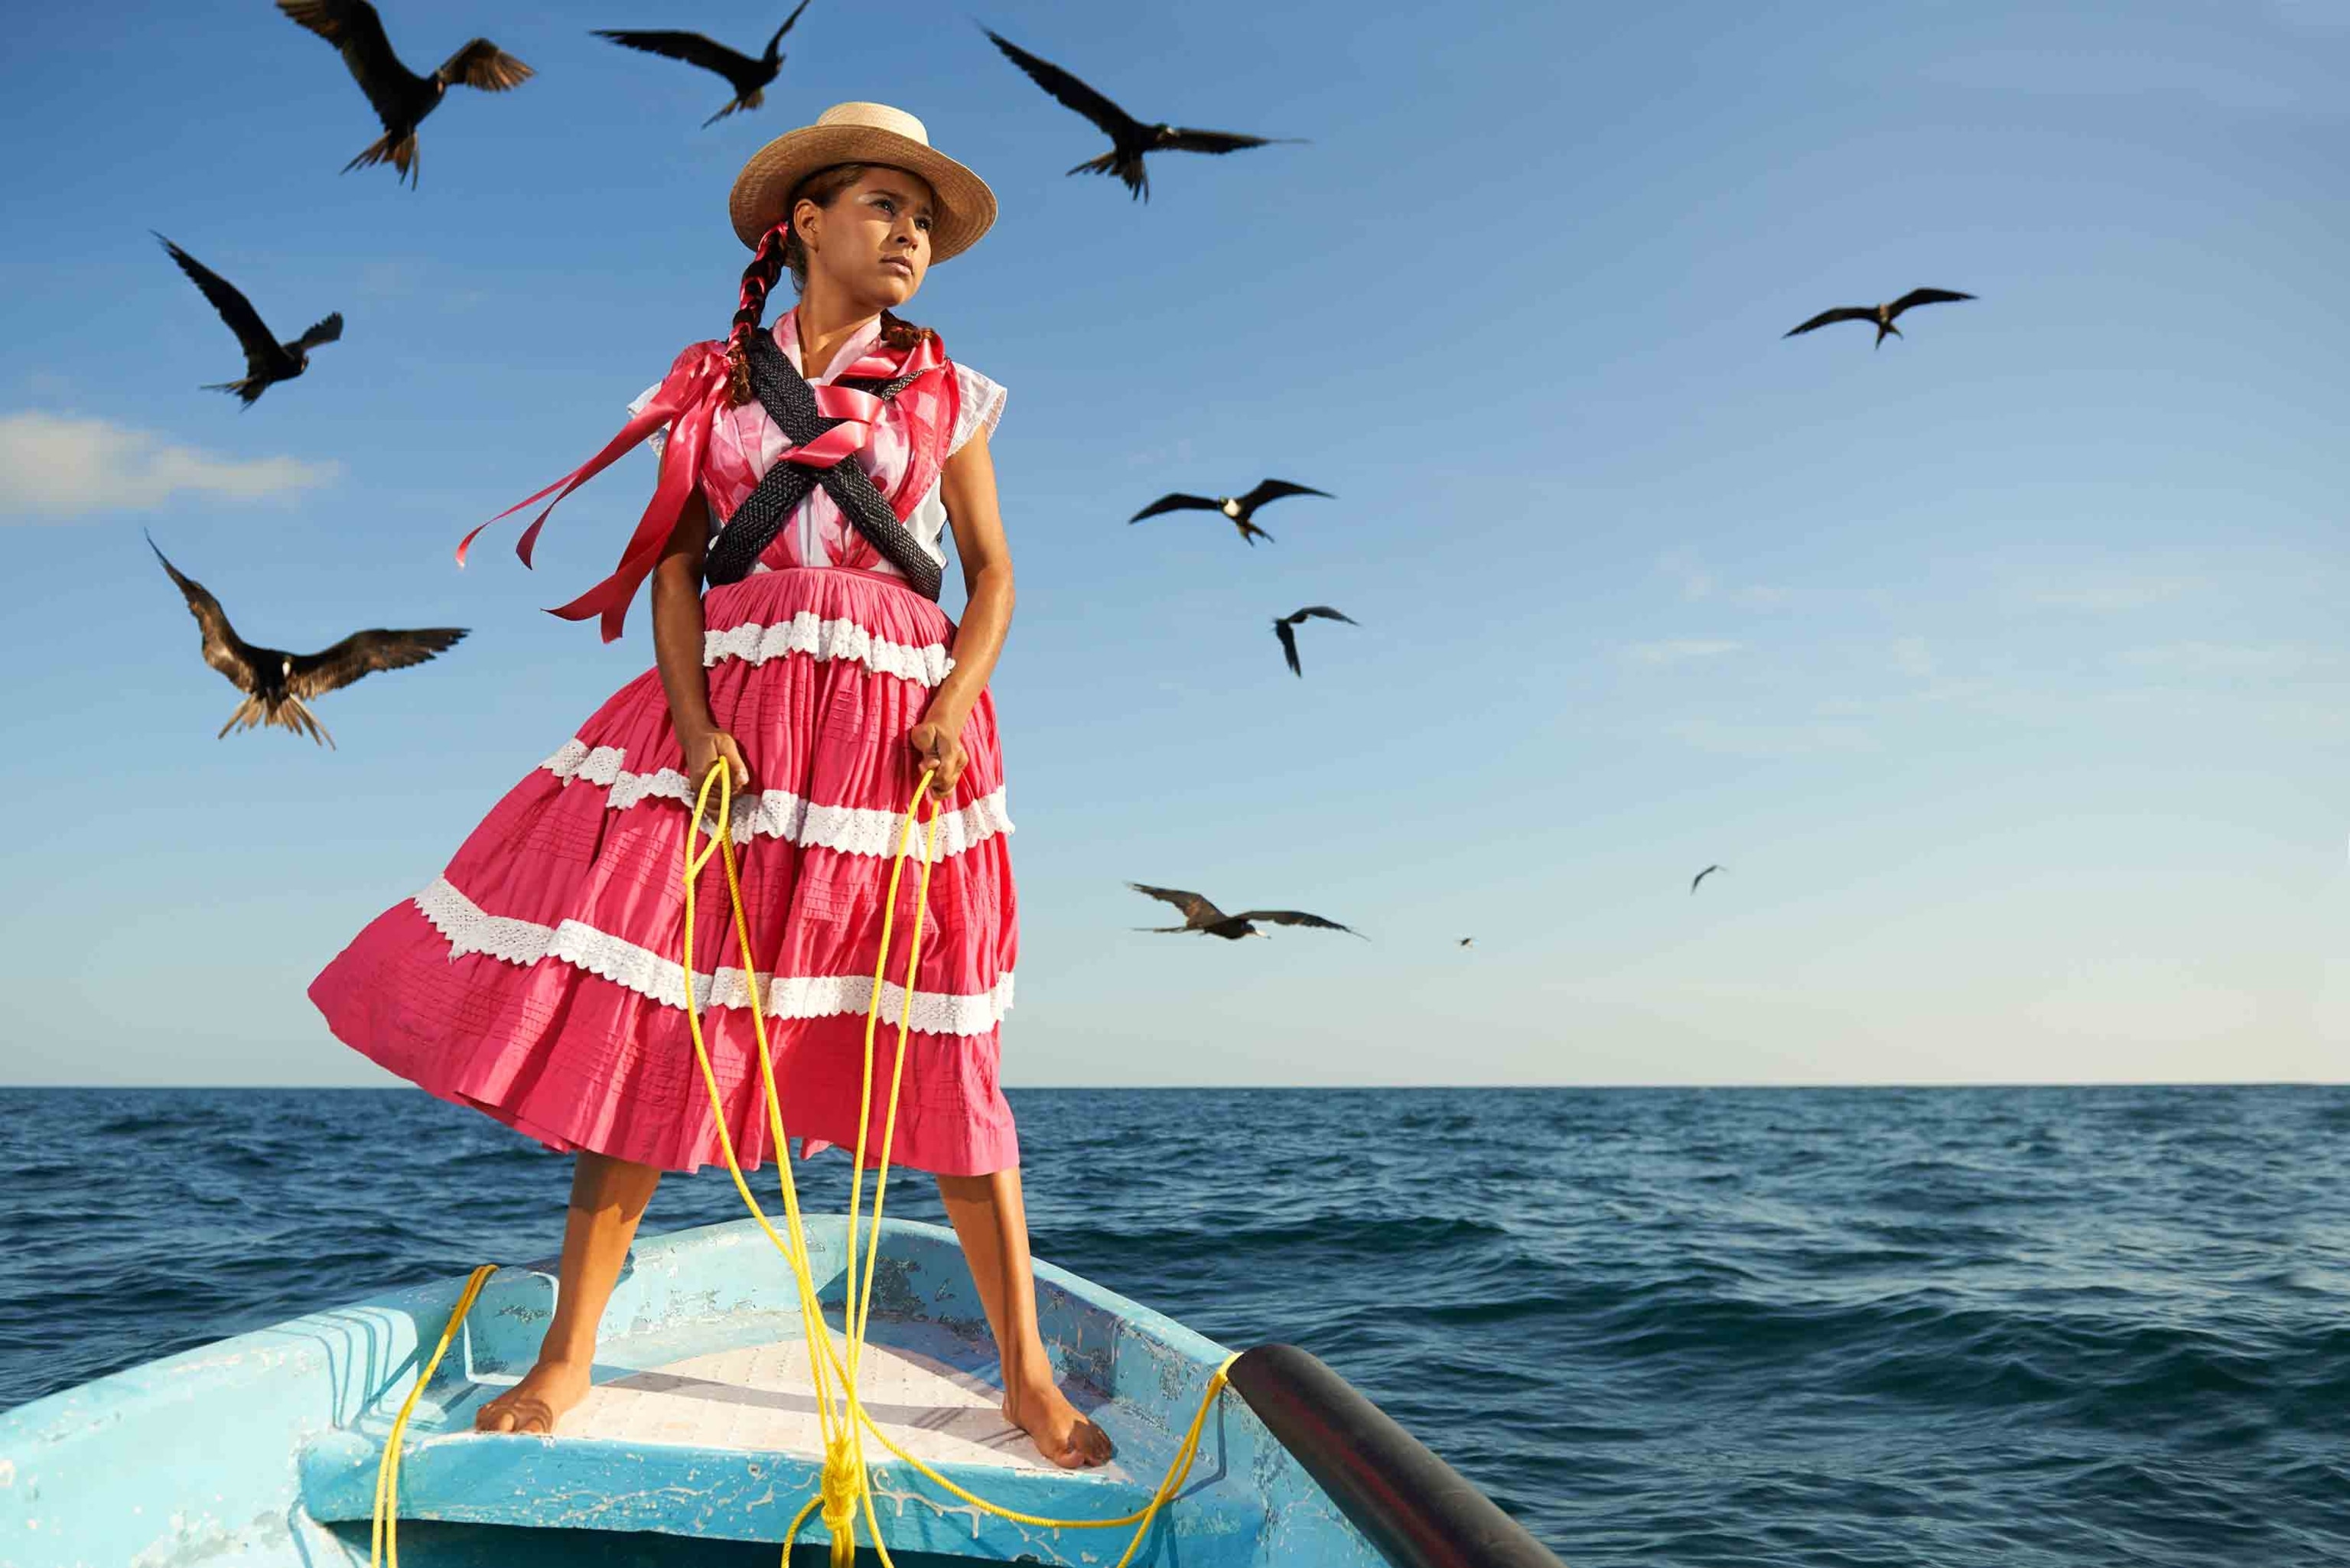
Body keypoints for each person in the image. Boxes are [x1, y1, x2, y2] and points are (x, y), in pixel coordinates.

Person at [308, 102, 1112, 1469]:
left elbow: (996, 573)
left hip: (895, 726)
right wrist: (691, 726)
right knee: (654, 1000)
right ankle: (568, 1354)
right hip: (729, 718)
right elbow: (677, 562)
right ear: (800, 222)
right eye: (879, 203)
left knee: (943, 1029)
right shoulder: (712, 383)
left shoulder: (951, 394)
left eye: (923, 215)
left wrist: (954, 701)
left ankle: (1025, 1372)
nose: (909, 230)